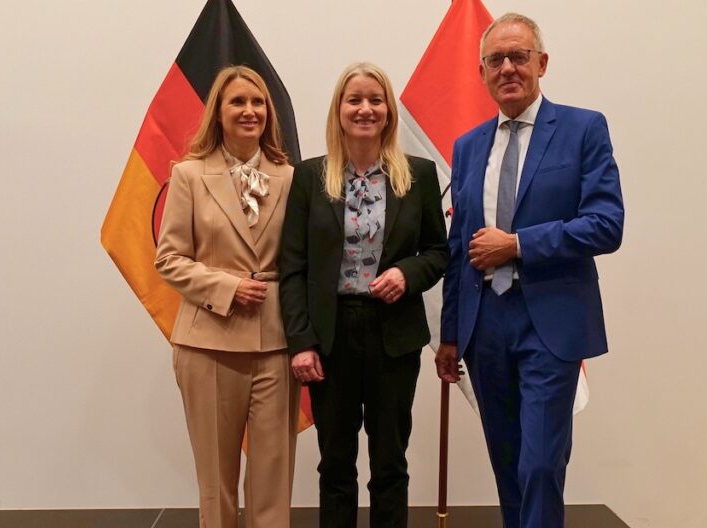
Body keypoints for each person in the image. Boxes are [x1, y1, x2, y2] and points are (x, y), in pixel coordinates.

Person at [436, 13, 625, 528]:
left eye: (518, 56)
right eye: (495, 59)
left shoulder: (584, 129)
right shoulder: (468, 146)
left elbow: (607, 225)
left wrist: (518, 245)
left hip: (551, 321)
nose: (508, 68)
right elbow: (459, 247)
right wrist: (450, 333)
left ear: (541, 63)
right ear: (481, 73)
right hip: (484, 326)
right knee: (508, 463)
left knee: (540, 463)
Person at [279, 62, 448, 528]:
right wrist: (301, 342)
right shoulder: (309, 177)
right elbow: (292, 268)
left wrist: (406, 274)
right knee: (335, 463)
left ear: (389, 111)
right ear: (339, 110)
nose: (365, 109)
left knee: (390, 462)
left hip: (394, 335)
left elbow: (438, 252)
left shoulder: (418, 175)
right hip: (329, 337)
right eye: (354, 100)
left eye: (376, 100)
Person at [154, 65, 298, 528]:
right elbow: (169, 259)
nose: (249, 111)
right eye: (237, 102)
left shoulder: (291, 178)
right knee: (216, 481)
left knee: (274, 475)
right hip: (207, 344)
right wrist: (228, 287)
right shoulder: (188, 175)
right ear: (217, 112)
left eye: (258, 103)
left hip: (277, 344)